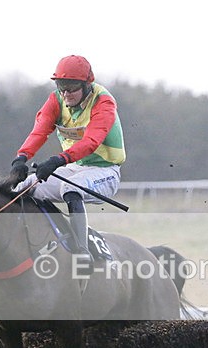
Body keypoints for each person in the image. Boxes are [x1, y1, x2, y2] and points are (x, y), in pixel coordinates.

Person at [11, 55, 125, 263]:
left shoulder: (104, 102)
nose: (65, 93)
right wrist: (21, 158)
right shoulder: (56, 99)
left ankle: (82, 252)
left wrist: (57, 160)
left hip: (105, 171)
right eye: (61, 86)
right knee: (24, 188)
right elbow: (39, 131)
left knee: (70, 190)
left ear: (86, 85)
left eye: (71, 88)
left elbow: (91, 141)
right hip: (73, 167)